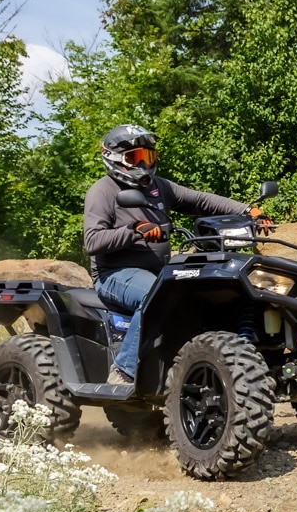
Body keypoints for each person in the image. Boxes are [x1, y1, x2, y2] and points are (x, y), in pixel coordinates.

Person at [82, 124, 272, 385]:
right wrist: (135, 230)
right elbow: (92, 241)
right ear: (114, 158)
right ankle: (123, 372)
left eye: (148, 157)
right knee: (156, 295)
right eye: (135, 158)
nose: (144, 165)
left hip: (158, 271)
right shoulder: (102, 191)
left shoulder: (160, 187)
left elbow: (201, 201)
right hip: (114, 275)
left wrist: (248, 212)